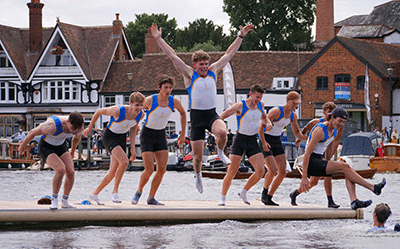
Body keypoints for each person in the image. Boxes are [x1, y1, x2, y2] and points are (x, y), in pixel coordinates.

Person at [150, 22, 254, 193]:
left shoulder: (214, 70)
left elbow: (229, 54)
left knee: (221, 132)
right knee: (197, 158)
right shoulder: (189, 74)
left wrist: (240, 36)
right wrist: (159, 40)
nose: (204, 67)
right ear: (195, 65)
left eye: (206, 64)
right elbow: (172, 56)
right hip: (197, 118)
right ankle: (198, 175)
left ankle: (220, 152)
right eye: (201, 65)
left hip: (211, 114)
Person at [299, 108, 386, 210]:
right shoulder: (320, 130)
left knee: (348, 170)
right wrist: (304, 177)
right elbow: (307, 154)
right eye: (339, 121)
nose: (341, 124)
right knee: (345, 167)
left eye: (344, 122)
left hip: (319, 160)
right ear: (332, 117)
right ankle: (373, 188)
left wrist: (328, 161)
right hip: (310, 163)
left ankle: (354, 201)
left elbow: (330, 147)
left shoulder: (335, 130)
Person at [131, 76, 186, 205]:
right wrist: (135, 123)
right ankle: (138, 192)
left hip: (161, 134)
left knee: (162, 169)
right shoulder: (150, 100)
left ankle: (151, 197)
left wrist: (183, 133)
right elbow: (137, 109)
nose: (168, 90)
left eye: (170, 88)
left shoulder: (174, 102)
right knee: (149, 169)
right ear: (159, 88)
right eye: (165, 88)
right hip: (147, 134)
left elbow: (183, 113)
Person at [84, 92, 145, 205]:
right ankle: (115, 192)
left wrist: (132, 148)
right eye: (137, 105)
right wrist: (89, 128)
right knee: (124, 162)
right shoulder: (117, 110)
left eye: (141, 105)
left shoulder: (141, 114)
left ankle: (95, 193)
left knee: (112, 171)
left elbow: (133, 129)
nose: (139, 108)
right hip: (109, 136)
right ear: (130, 103)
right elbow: (98, 111)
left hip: (121, 137)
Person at [18, 111, 84, 210]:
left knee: (70, 172)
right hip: (46, 147)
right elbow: (32, 132)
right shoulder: (52, 125)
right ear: (67, 122)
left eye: (76, 130)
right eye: (72, 129)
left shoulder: (79, 126)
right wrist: (22, 146)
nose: (74, 132)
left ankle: (65, 201)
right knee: (60, 169)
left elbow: (76, 139)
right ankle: (54, 200)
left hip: (61, 146)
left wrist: (72, 152)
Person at [218, 85, 272, 206]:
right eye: (257, 97)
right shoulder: (240, 106)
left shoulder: (260, 105)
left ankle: (243, 191)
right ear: (250, 94)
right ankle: (222, 197)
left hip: (252, 140)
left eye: (260, 97)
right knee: (232, 171)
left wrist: (268, 123)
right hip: (240, 140)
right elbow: (223, 115)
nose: (258, 99)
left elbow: (264, 117)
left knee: (260, 171)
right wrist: (218, 128)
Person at [258, 91, 308, 205]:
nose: (296, 106)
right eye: (294, 104)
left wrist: (307, 138)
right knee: (273, 169)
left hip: (277, 140)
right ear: (288, 101)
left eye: (297, 104)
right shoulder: (276, 111)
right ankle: (264, 192)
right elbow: (261, 126)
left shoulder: (293, 115)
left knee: (282, 171)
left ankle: (270, 196)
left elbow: (296, 132)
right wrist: (264, 142)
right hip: (266, 139)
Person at [291, 102, 340, 208]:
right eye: (329, 113)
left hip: (322, 153)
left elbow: (332, 142)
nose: (331, 115)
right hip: (313, 153)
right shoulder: (316, 122)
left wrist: (328, 158)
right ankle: (330, 201)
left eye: (333, 113)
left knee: (313, 182)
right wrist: (300, 138)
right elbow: (306, 128)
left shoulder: (335, 125)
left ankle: (294, 194)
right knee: (325, 176)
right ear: (324, 113)